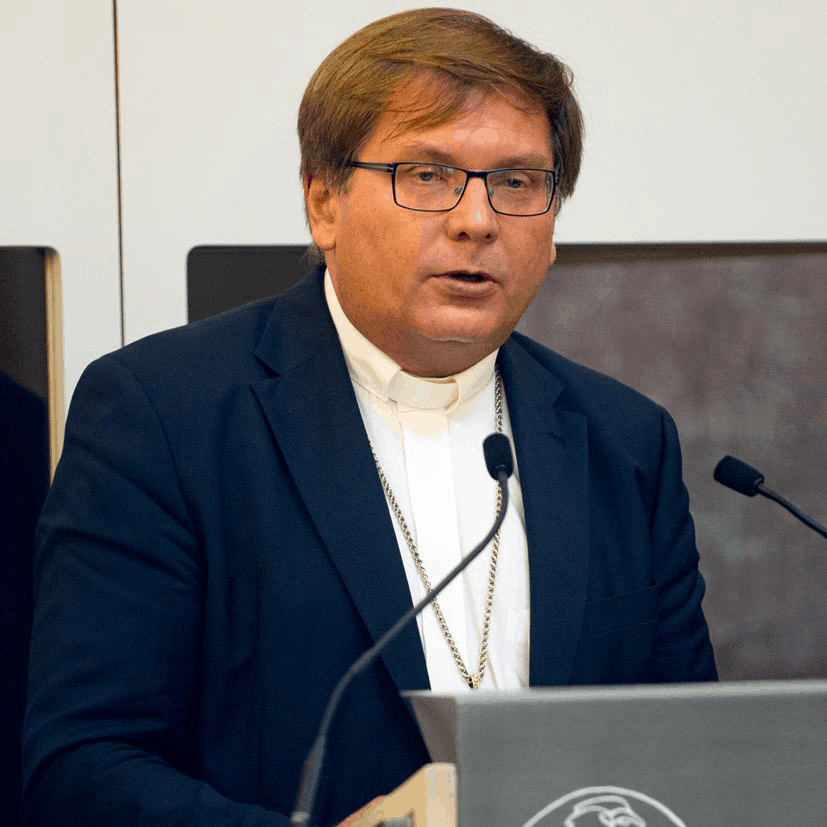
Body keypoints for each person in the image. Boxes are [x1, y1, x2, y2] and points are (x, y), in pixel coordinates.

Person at [22, 8, 717, 827]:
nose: (476, 219)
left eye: (516, 182)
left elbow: (690, 754)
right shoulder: (164, 414)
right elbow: (81, 767)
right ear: (323, 202)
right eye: (426, 174)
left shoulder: (623, 438)